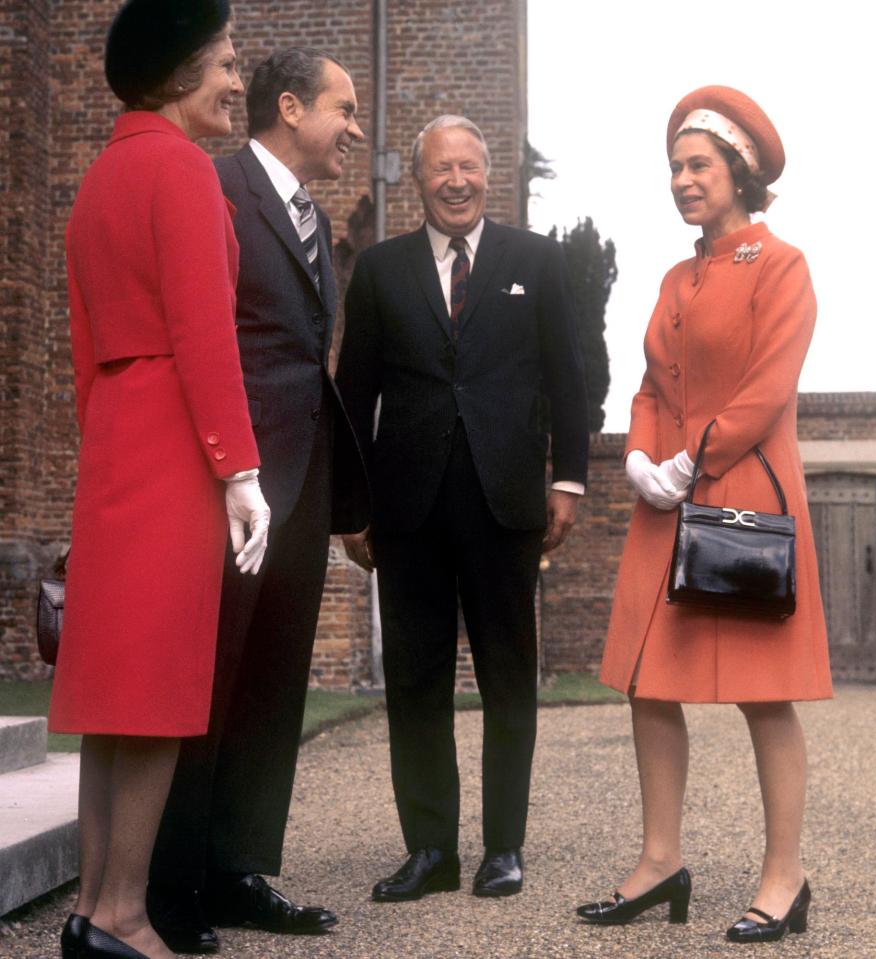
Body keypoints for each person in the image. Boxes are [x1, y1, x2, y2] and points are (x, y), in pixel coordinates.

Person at [575, 86, 832, 944]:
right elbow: (650, 385)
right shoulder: (673, 276)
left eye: (698, 166)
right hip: (667, 501)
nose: (682, 180)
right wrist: (642, 456)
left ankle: (784, 877)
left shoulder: (783, 264)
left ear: (739, 173)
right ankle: (657, 861)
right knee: (648, 683)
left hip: (743, 496)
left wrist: (696, 455)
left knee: (763, 694)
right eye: (674, 168)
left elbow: (767, 386)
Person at [48, 3, 270, 958]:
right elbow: (204, 333)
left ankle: (93, 907)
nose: (236, 78)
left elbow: (84, 344)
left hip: (116, 444)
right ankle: (126, 914)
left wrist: (113, 448)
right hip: (179, 440)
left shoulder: (104, 175)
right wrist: (239, 467)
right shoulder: (181, 170)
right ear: (180, 73)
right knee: (156, 692)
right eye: (224, 62)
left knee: (113, 696)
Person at [146, 48, 369, 953]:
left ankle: (239, 868)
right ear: (291, 107)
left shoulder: (311, 216)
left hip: (304, 475)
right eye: (342, 109)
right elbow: (202, 334)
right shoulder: (216, 188)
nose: (353, 128)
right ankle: (174, 884)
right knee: (215, 669)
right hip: (236, 479)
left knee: (275, 672)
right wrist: (230, 468)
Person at [336, 114, 589, 902]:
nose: (456, 181)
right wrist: (350, 507)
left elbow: (568, 380)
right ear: (417, 179)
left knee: (509, 678)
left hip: (504, 500)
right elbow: (353, 394)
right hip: (405, 509)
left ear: (488, 175)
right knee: (414, 681)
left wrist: (569, 481)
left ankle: (503, 847)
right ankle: (430, 850)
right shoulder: (380, 270)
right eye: (440, 168)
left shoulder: (537, 262)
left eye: (469, 168)